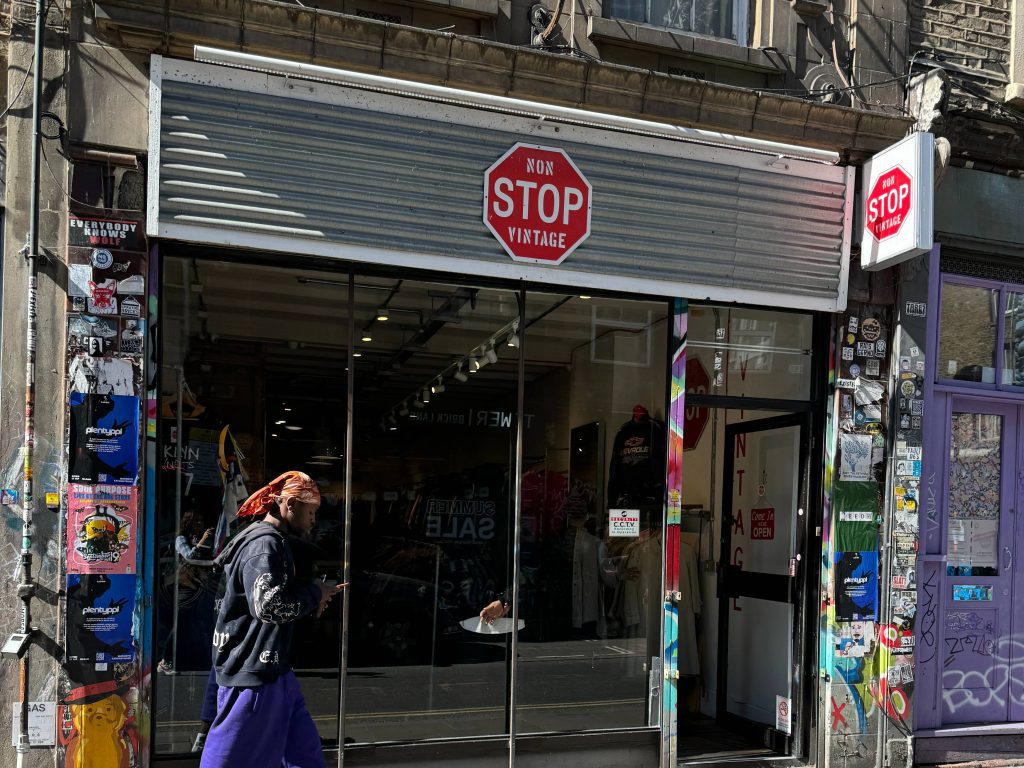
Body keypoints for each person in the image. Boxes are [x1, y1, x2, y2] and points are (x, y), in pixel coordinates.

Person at [200, 471, 346, 768]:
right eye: (311, 512)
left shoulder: (267, 540)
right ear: (290, 504)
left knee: (304, 758)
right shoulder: (264, 544)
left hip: (275, 671)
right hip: (254, 677)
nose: (313, 520)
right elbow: (269, 607)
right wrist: (314, 594)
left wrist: (313, 594)